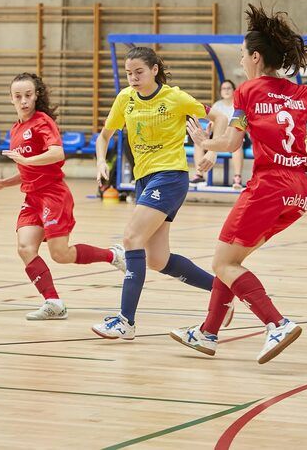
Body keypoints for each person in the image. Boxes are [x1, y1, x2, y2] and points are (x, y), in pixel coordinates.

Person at [170, 4, 307, 364]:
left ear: (255, 57)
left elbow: (232, 143)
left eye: (242, 54)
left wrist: (204, 142)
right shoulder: (302, 94)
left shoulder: (247, 91)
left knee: (223, 263)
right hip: (298, 191)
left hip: (268, 186)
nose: (241, 61)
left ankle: (277, 324)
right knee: (232, 261)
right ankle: (207, 334)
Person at [91, 46, 232, 340]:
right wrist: (101, 160)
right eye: (128, 73)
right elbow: (104, 136)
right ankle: (222, 291)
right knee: (157, 259)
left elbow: (219, 117)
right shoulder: (125, 99)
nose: (133, 78)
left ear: (154, 70)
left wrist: (212, 150)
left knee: (131, 238)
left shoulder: (175, 97)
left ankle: (125, 321)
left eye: (139, 72)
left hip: (170, 176)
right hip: (144, 179)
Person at [0, 73, 126, 320]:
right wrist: (4, 183)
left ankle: (113, 255)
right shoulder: (16, 129)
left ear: (36, 95)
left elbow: (57, 153)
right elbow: (27, 170)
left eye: (28, 95)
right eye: (18, 96)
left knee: (60, 254)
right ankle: (53, 302)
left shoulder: (42, 122)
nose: (23, 101)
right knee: (25, 248)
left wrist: (27, 160)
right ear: (11, 99)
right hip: (32, 197)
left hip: (53, 194)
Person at [190, 79, 251, 189]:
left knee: (237, 144)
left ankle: (237, 177)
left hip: (236, 136)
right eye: (224, 88)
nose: (226, 90)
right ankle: (199, 175)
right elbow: (213, 124)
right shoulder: (217, 106)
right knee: (198, 143)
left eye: (229, 88)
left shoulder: (238, 104)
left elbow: (242, 125)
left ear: (234, 90)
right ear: (221, 92)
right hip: (219, 136)